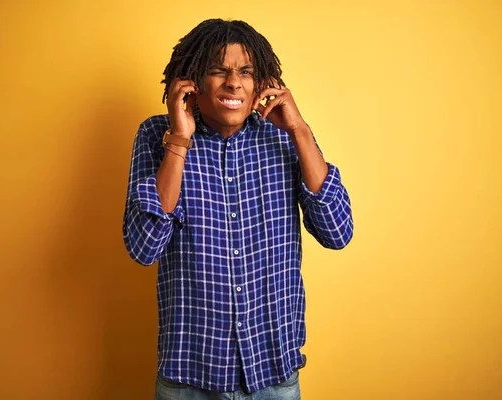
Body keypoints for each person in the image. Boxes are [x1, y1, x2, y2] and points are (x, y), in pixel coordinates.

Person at [122, 18, 353, 400]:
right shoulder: (155, 135)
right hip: (190, 378)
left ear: (261, 82)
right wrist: (179, 140)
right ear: (192, 81)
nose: (234, 83)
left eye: (245, 72)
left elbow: (337, 231)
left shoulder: (286, 136)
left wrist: (299, 130)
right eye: (218, 71)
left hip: (273, 377)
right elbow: (144, 248)